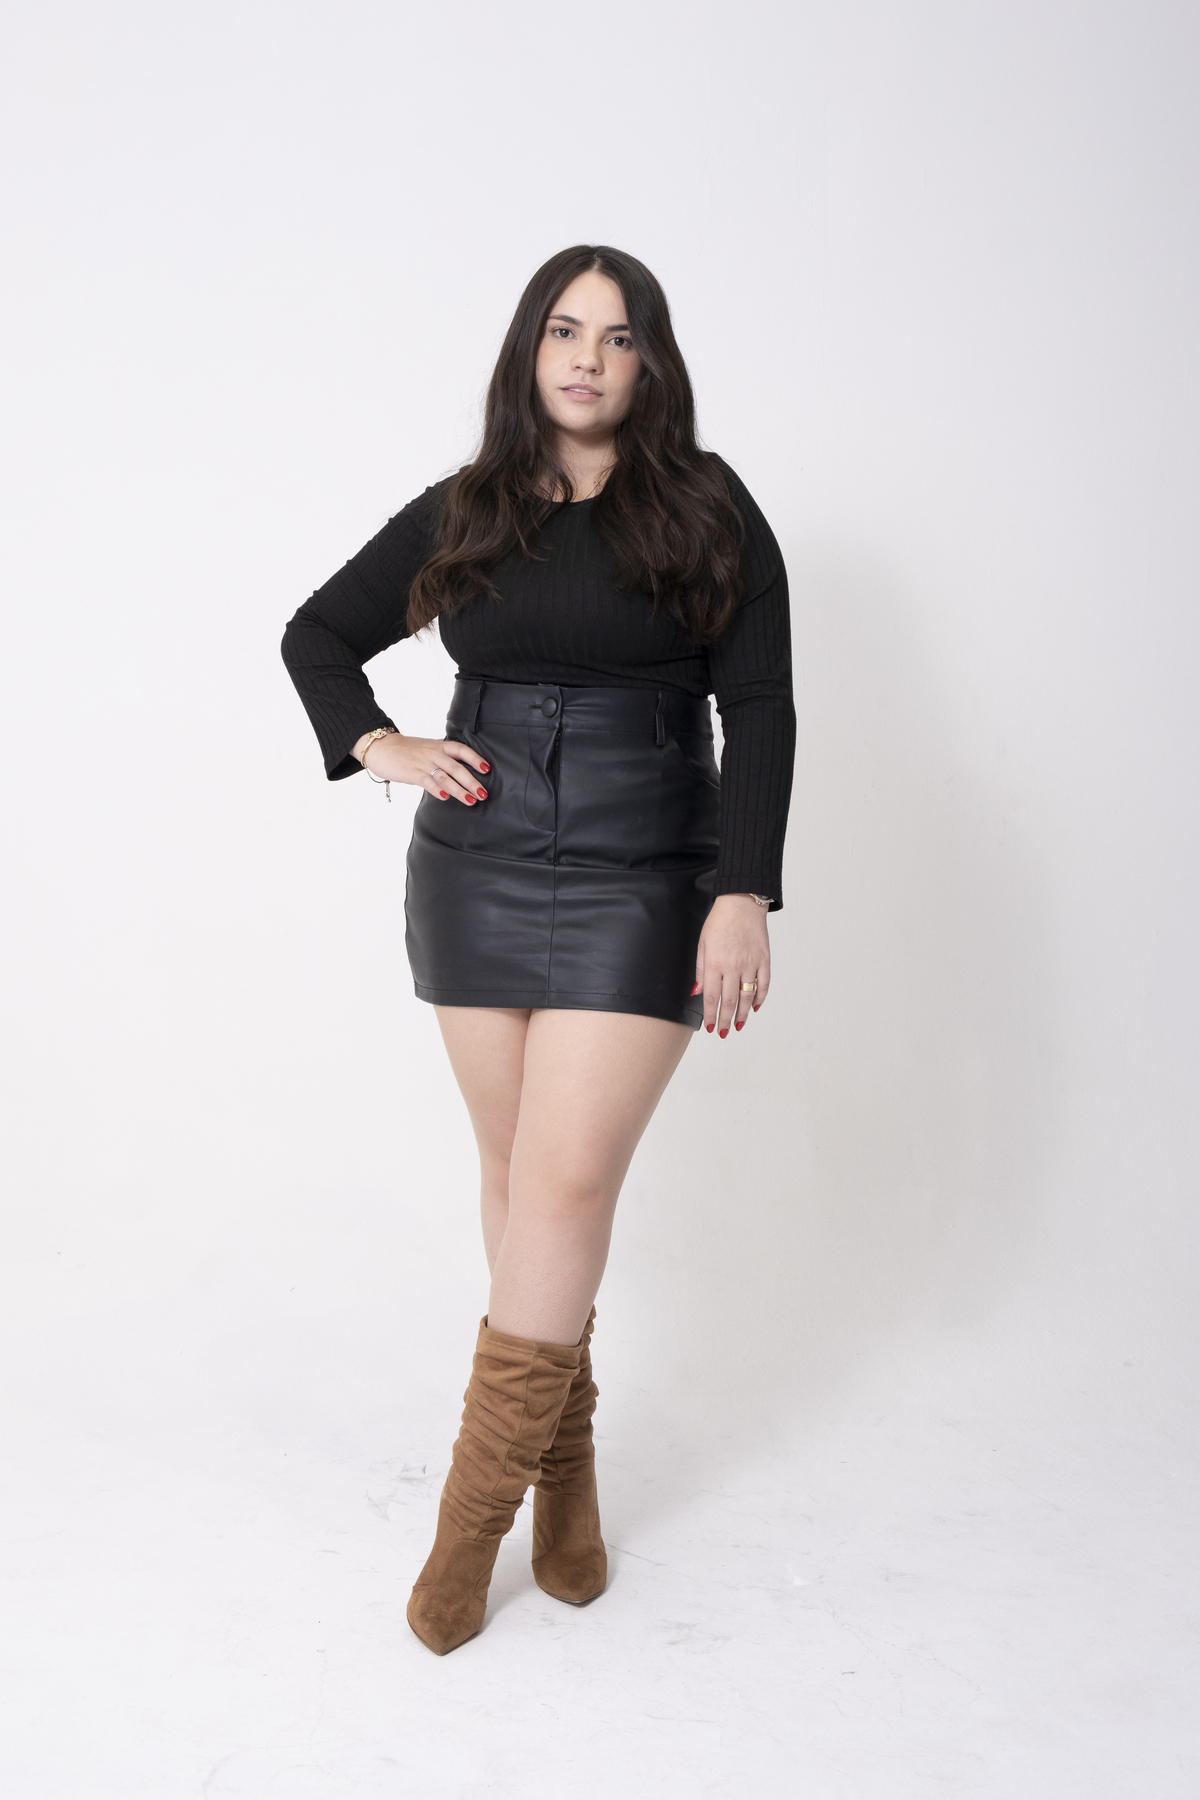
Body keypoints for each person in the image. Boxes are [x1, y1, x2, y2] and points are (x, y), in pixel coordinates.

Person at [281, 244, 795, 1655]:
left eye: (618, 338)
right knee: (516, 1181)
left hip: (648, 869)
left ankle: (466, 1536)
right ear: (530, 350)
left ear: (650, 364)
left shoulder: (707, 504)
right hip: (478, 864)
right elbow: (317, 634)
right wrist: (376, 743)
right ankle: (566, 1490)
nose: (588, 358)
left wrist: (743, 892)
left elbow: (760, 706)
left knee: (564, 1184)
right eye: (565, 331)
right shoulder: (474, 506)